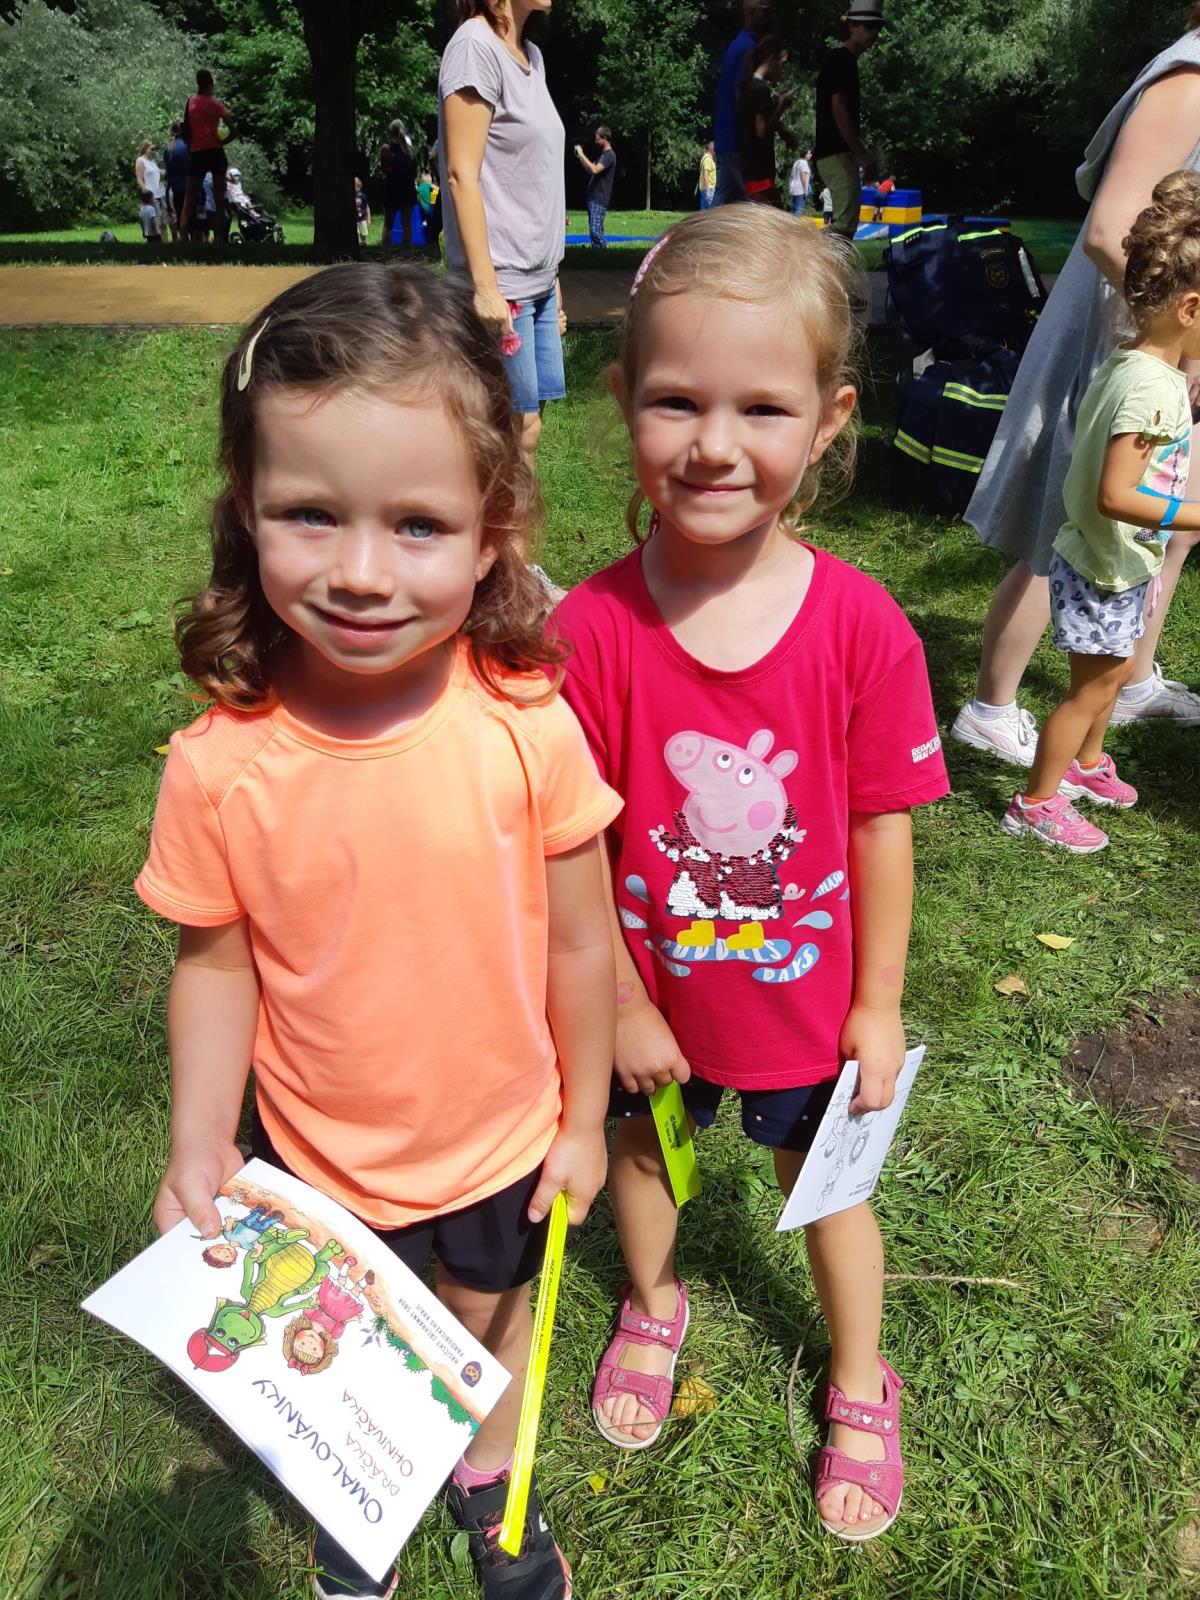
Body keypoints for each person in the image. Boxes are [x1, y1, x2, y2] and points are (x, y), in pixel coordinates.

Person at [138, 263, 620, 1600]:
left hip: (503, 1138)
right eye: (311, 514)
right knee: (348, 1353)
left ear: (493, 527)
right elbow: (215, 966)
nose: (360, 573)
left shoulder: (526, 726)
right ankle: (365, 1502)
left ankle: (489, 1477)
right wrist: (199, 1141)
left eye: (417, 525)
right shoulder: (220, 767)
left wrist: (585, 1119)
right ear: (246, 506)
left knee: (482, 1319)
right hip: (316, 1160)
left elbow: (581, 944)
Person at [552, 207, 949, 1541]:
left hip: (803, 1009)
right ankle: (652, 1302)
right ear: (624, 397)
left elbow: (882, 824)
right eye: (677, 400)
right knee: (644, 1156)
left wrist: (876, 1004)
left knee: (823, 1189)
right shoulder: (590, 630)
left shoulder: (864, 629)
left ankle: (860, 1376)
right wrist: (618, 1003)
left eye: (762, 409)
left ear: (829, 421)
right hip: (647, 1000)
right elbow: (572, 840)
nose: (715, 443)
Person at [952, 14, 1200, 759]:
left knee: (1172, 517)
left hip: (1172, 337)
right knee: (1067, 522)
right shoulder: (1191, 79)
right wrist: (1173, 348)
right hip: (1125, 333)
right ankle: (991, 708)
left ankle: (1132, 680)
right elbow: (1108, 230)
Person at [1002, 173, 1200, 852]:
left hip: (1120, 561)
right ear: (1191, 308)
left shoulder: (1137, 362)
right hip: (1102, 568)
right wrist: (1195, 513)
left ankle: (1086, 765)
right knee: (1088, 692)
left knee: (1112, 676)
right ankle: (1036, 801)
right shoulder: (1152, 389)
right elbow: (1115, 495)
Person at [439, 0, 567, 463]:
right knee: (509, 427)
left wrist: (552, 277)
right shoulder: (475, 48)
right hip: (502, 280)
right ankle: (494, 514)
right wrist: (486, 288)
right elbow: (461, 174)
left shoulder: (532, 56)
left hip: (538, 281)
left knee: (528, 427)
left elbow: (533, 174)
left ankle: (512, 513)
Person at [814, 0, 883, 241]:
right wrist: (861, 154)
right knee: (843, 229)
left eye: (877, 26)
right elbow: (839, 108)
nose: (873, 32)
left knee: (844, 225)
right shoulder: (842, 60)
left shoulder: (845, 61)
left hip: (836, 154)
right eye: (868, 26)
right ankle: (810, 261)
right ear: (852, 26)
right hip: (835, 153)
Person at [713, 0, 770, 205]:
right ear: (752, 12)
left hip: (726, 142)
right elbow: (743, 99)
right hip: (739, 144)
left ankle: (702, 227)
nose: (770, 15)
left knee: (721, 210)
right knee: (761, 204)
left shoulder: (736, 45)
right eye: (766, 10)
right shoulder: (748, 49)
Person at [737, 35, 795, 207]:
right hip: (759, 175)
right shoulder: (760, 89)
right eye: (782, 63)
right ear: (771, 59)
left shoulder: (748, 87)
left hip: (748, 171)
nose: (782, 69)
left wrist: (783, 132)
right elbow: (761, 131)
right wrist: (781, 107)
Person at [179, 69, 235, 244]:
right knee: (219, 198)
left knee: (190, 197)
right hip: (215, 152)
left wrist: (191, 144)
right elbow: (234, 131)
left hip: (198, 152)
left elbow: (186, 128)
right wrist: (222, 142)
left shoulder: (191, 102)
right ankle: (218, 237)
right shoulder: (217, 105)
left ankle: (183, 235)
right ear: (211, 83)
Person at [575, 125, 617, 247]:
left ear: (604, 138)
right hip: (593, 198)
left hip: (599, 198)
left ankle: (605, 250)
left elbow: (594, 170)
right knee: (594, 231)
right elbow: (590, 169)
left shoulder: (609, 155)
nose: (595, 141)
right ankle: (598, 253)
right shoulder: (603, 155)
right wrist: (580, 157)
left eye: (597, 138)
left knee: (595, 231)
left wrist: (582, 154)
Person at [381, 118, 418, 246]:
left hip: (391, 190)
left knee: (388, 225)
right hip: (408, 190)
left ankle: (385, 252)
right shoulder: (410, 151)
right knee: (407, 225)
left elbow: (384, 169)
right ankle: (407, 253)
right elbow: (414, 172)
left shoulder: (386, 149)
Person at [162, 122, 189, 243]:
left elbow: (167, 170)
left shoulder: (168, 148)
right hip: (190, 186)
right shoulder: (188, 145)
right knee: (193, 218)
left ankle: (184, 242)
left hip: (175, 188)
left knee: (180, 216)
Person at [135, 140, 166, 238]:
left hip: (160, 194)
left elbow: (158, 173)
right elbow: (139, 178)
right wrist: (145, 191)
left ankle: (165, 243)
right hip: (151, 196)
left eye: (155, 149)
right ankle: (156, 241)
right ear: (145, 148)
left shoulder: (152, 161)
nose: (154, 151)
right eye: (152, 149)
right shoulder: (140, 160)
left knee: (163, 223)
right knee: (156, 222)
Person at [789, 147, 812, 215]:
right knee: (798, 210)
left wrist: (790, 187)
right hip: (800, 190)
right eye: (809, 154)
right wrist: (805, 190)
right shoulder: (804, 163)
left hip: (793, 189)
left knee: (793, 210)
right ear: (805, 154)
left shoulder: (796, 162)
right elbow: (803, 176)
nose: (811, 155)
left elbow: (791, 177)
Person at [698, 140, 717, 209]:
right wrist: (708, 191)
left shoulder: (704, 158)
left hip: (704, 189)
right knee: (712, 212)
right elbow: (706, 175)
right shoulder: (708, 160)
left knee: (704, 212)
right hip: (708, 190)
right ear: (712, 149)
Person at [354, 175, 371, 244]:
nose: (356, 188)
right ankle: (359, 243)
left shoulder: (363, 196)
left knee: (364, 234)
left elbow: (367, 207)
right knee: (357, 234)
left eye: (357, 185)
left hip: (362, 219)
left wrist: (369, 218)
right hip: (355, 220)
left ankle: (364, 242)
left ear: (360, 186)